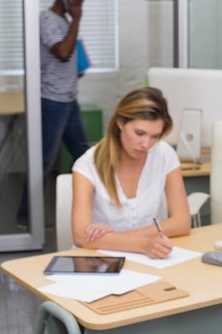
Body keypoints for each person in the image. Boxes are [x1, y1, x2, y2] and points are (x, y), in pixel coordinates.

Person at [71, 87, 191, 258]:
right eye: (139, 133)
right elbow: (80, 236)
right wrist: (142, 245)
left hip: (152, 258)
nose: (146, 144)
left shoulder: (164, 154)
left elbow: (182, 223)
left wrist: (113, 239)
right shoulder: (87, 165)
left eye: (155, 136)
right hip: (101, 262)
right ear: (120, 123)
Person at [16, 0, 92, 229]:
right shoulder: (47, 19)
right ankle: (26, 217)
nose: (82, 3)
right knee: (43, 161)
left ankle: (94, 212)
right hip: (52, 102)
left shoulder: (64, 22)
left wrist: (77, 67)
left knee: (85, 155)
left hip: (67, 100)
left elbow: (67, 59)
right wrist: (78, 20)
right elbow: (60, 52)